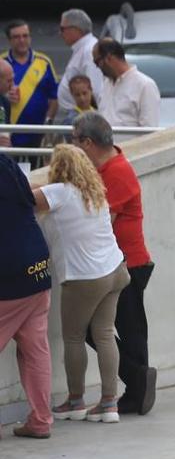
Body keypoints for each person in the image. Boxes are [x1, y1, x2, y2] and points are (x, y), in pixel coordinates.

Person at [33, 145, 130, 424]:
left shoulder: (59, 193)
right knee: (105, 333)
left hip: (85, 277)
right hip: (114, 269)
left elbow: (23, 198)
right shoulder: (94, 193)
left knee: (74, 337)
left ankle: (75, 400)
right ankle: (109, 403)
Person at [71, 113, 158, 415]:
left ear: (88, 142)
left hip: (127, 263)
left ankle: (138, 384)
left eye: (76, 141)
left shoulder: (116, 171)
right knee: (121, 330)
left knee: (118, 330)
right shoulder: (108, 167)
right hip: (121, 262)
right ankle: (138, 385)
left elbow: (101, 220)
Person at [0, 154, 53, 438]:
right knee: (35, 350)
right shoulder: (7, 164)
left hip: (8, 274)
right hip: (37, 266)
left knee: (34, 351)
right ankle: (41, 420)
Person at [5, 19, 59, 148]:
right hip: (8, 135)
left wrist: (48, 123)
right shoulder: (2, 63)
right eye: (16, 37)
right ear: (9, 40)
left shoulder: (44, 62)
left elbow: (54, 98)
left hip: (38, 133)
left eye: (25, 36)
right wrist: (5, 96)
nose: (22, 40)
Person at [94, 38, 160, 129]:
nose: (97, 67)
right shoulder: (106, 84)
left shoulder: (145, 85)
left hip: (131, 143)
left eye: (97, 62)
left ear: (109, 58)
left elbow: (149, 129)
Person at [56, 9, 104, 120]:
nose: (60, 33)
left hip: (83, 118)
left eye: (62, 29)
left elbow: (96, 91)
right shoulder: (82, 49)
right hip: (77, 115)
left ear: (76, 29)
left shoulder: (89, 51)